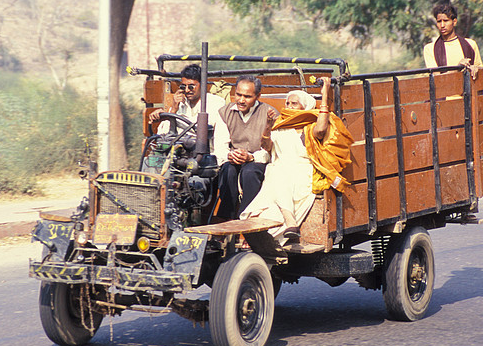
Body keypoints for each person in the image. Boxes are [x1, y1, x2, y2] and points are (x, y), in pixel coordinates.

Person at [240, 77, 353, 244]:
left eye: (294, 104)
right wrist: (268, 126)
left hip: (301, 173)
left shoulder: (309, 127)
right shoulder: (280, 125)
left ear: (304, 107)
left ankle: (287, 221)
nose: (289, 107)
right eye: (287, 103)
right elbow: (266, 145)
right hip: (279, 171)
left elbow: (321, 129)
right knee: (275, 171)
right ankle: (289, 221)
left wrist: (325, 91)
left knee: (276, 173)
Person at [214, 75, 279, 219]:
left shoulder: (269, 113)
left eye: (247, 96)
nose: (241, 100)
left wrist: (251, 157)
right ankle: (226, 220)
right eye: (238, 94)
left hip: (258, 161)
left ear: (257, 96)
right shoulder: (225, 113)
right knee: (227, 171)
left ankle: (246, 221)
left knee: (250, 173)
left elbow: (272, 151)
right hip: (234, 159)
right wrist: (230, 155)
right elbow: (220, 147)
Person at [148, 64, 226, 136]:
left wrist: (174, 119)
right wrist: (173, 110)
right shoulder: (180, 103)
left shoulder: (216, 103)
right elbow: (167, 130)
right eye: (183, 86)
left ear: (202, 85)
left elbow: (205, 130)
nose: (187, 90)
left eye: (191, 87)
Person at [423, 2, 483, 80]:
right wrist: (457, 68)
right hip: (446, 92)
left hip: (468, 91)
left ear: (454, 22)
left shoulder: (470, 44)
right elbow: (437, 79)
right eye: (439, 21)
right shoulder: (430, 49)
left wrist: (475, 69)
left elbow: (481, 72)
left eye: (446, 21)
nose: (442, 25)